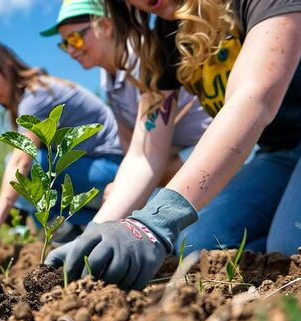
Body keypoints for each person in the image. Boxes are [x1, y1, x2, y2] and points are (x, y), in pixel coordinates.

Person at [47, 0, 301, 290]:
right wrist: (97, 231)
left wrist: (157, 220)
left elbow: (254, 99)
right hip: (279, 153)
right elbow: (148, 152)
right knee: (197, 246)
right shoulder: (167, 34)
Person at [40, 0, 212, 220]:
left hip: (200, 148)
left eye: (75, 38)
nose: (71, 50)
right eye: (65, 44)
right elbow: (129, 143)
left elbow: (152, 148)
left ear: (105, 26)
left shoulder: (143, 56)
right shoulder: (107, 80)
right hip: (165, 158)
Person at [0, 41, 123, 245]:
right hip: (95, 172)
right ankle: (75, 229)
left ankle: (62, 233)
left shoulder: (35, 96)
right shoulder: (38, 89)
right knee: (13, 197)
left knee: (30, 168)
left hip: (113, 173)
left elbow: (21, 162)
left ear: (6, 66)